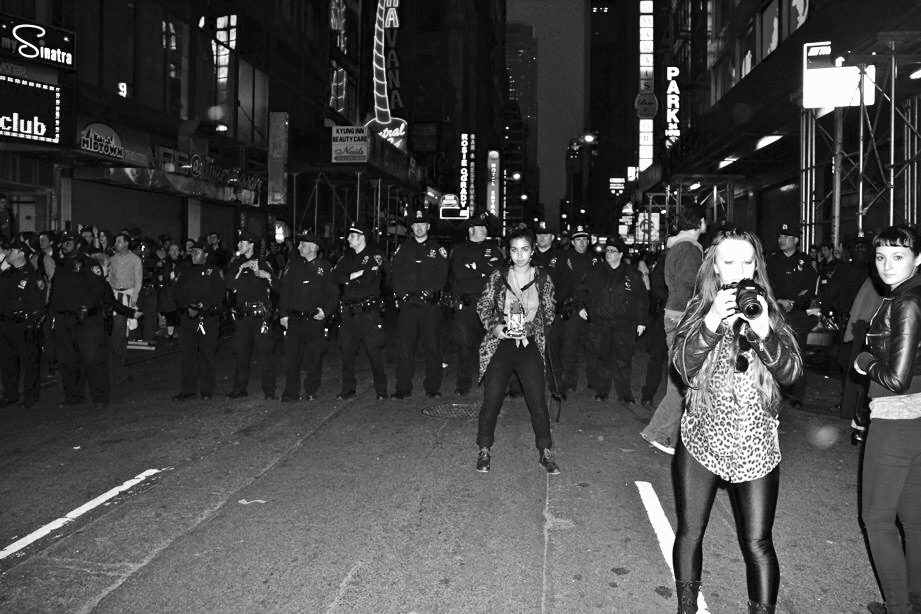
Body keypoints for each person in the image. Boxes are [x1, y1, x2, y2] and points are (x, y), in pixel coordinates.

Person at [670, 227, 803, 614]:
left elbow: (794, 377)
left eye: (747, 261)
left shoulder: (769, 311)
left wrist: (765, 334)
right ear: (714, 267)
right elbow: (681, 366)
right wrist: (712, 320)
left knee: (758, 542)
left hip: (755, 444)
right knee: (691, 531)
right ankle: (685, 608)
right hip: (702, 439)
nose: (739, 269)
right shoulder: (700, 307)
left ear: (757, 266)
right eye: (729, 261)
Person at [852, 225, 921, 614]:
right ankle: (914, 600)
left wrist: (865, 362)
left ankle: (898, 607)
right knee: (913, 521)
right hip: (917, 419)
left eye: (898, 256)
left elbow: (896, 378)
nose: (887, 265)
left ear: (918, 258)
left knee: (877, 521)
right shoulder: (908, 295)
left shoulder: (906, 302)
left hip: (898, 420)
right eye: (881, 257)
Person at [474, 227, 560, 475]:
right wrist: (495, 326)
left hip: (529, 342)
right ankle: (484, 449)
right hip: (502, 343)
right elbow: (483, 304)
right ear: (509, 252)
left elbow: (549, 311)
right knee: (492, 399)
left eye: (524, 249)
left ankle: (545, 451)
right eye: (514, 250)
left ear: (532, 251)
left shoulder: (543, 278)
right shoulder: (498, 276)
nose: (519, 255)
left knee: (537, 401)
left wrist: (527, 328)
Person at [641, 205, 707, 454]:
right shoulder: (690, 249)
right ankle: (659, 432)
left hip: (674, 314)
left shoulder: (677, 246)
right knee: (682, 381)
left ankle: (668, 433)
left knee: (680, 378)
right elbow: (688, 284)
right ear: (699, 222)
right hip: (682, 316)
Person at [574, 236, 648, 402]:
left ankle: (624, 394)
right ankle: (602, 390)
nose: (609, 254)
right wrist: (580, 307)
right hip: (601, 322)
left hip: (624, 323)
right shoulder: (595, 272)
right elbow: (581, 290)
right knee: (602, 357)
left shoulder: (632, 274)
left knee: (623, 359)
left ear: (621, 254)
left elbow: (642, 298)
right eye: (607, 251)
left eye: (613, 251)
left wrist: (642, 321)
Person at [48, 232, 113, 408]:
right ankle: (73, 397)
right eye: (63, 243)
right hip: (64, 319)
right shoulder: (61, 266)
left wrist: (85, 306)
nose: (64, 245)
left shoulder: (89, 264)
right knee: (67, 361)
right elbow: (55, 292)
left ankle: (100, 397)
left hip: (86, 321)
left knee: (92, 360)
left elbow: (97, 289)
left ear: (78, 245)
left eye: (68, 242)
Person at [391, 208, 449, 398]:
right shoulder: (403, 249)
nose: (418, 228)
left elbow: (442, 275)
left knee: (432, 347)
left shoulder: (437, 249)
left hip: (429, 307)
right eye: (415, 225)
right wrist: (402, 294)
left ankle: (432, 388)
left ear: (428, 226)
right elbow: (395, 274)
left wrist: (428, 292)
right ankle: (403, 388)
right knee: (405, 348)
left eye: (422, 224)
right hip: (408, 306)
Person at [330, 222, 389, 400]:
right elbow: (334, 276)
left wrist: (347, 278)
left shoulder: (375, 255)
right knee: (347, 352)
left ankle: (381, 390)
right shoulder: (346, 257)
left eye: (352, 236)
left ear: (362, 237)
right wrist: (353, 276)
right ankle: (348, 389)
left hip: (368, 313)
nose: (348, 239)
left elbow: (367, 279)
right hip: (348, 313)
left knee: (374, 352)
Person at [278, 231, 338, 402]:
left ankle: (310, 389)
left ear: (312, 247)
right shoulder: (294, 266)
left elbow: (333, 294)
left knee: (314, 357)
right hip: (295, 320)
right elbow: (285, 292)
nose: (298, 247)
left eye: (302, 244)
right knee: (291, 357)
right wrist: (283, 314)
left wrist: (326, 312)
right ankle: (291, 391)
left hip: (314, 320)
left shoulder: (325, 268)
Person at [766, 220, 818, 406]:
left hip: (797, 315)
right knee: (773, 352)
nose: (782, 240)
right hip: (776, 314)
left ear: (796, 240)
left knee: (797, 353)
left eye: (787, 237)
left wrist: (795, 302)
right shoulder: (772, 261)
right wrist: (779, 301)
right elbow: (767, 286)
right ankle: (774, 391)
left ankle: (796, 395)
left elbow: (810, 288)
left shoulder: (806, 262)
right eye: (780, 236)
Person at [449, 211, 500, 396]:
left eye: (486, 227)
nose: (485, 230)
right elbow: (459, 273)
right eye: (482, 227)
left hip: (488, 305)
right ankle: (463, 384)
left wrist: (473, 267)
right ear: (471, 229)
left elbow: (495, 272)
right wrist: (482, 268)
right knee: (464, 345)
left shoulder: (493, 249)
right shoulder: (459, 249)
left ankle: (490, 383)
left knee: (488, 345)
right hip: (466, 306)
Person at [171, 240, 225, 401]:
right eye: (192, 252)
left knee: (206, 355)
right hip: (188, 319)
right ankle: (187, 390)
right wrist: (187, 307)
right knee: (187, 355)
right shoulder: (185, 271)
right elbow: (177, 293)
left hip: (207, 319)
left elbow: (219, 294)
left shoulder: (214, 272)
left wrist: (203, 306)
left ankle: (206, 389)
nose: (193, 255)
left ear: (206, 254)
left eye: (197, 252)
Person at [226, 230, 277, 399]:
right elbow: (228, 284)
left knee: (265, 354)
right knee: (241, 353)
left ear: (251, 244)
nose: (239, 245)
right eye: (238, 242)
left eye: (242, 242)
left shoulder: (263, 262)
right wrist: (240, 269)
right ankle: (239, 389)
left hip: (259, 316)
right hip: (242, 316)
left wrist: (265, 275)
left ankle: (269, 391)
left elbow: (278, 287)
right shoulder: (236, 263)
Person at [0, 239, 46, 408]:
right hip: (5, 324)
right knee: (7, 362)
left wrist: (31, 324)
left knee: (29, 362)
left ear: (21, 253)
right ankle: (10, 394)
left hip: (23, 324)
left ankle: (30, 396)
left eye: (11, 250)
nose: (8, 254)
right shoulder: (6, 275)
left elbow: (39, 304)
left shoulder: (33, 276)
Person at [531, 219, 567, 397]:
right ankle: (520, 388)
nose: (542, 238)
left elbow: (567, 285)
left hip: (551, 312)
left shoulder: (560, 257)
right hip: (528, 311)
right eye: (539, 234)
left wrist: (552, 304)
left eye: (546, 235)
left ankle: (557, 388)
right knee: (524, 349)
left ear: (552, 237)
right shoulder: (528, 255)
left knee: (552, 351)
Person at [560, 224, 597, 394]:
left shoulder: (595, 260)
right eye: (578, 239)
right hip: (574, 308)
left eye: (585, 239)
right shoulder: (565, 260)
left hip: (592, 309)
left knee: (593, 347)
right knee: (570, 347)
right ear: (573, 242)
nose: (582, 243)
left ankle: (593, 381)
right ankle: (569, 381)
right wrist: (577, 305)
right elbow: (566, 286)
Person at [107, 231, 143, 387]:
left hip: (127, 296)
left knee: (120, 331)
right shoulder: (112, 259)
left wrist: (133, 300)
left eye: (120, 241)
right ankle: (117, 362)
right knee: (117, 330)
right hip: (114, 296)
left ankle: (118, 361)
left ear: (127, 243)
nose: (117, 243)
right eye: (116, 241)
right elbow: (108, 278)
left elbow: (138, 280)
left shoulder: (135, 260)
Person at [155, 242, 185, 342]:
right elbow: (158, 277)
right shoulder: (163, 263)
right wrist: (167, 278)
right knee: (170, 314)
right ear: (168, 252)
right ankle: (170, 336)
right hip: (168, 292)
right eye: (172, 250)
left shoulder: (184, 263)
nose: (174, 252)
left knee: (181, 314)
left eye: (176, 250)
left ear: (180, 252)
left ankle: (184, 335)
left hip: (181, 292)